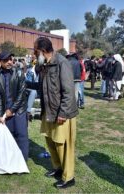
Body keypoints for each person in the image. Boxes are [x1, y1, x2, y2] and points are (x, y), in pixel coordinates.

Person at [27, 37, 78, 189]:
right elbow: (43, 87)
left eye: (35, 51)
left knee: (63, 144)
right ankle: (58, 168)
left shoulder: (62, 63)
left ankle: (69, 177)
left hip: (61, 113)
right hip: (48, 111)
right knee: (50, 141)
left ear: (42, 51)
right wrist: (25, 83)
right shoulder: (45, 65)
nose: (34, 54)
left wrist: (62, 113)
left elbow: (68, 92)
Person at [0, 51, 29, 161]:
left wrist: (12, 109)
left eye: (10, 59)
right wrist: (0, 115)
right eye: (5, 60)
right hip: (5, 110)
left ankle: (22, 161)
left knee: (21, 135)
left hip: (19, 109)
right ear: (0, 61)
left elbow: (21, 94)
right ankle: (11, 161)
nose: (9, 62)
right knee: (9, 136)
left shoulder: (18, 72)